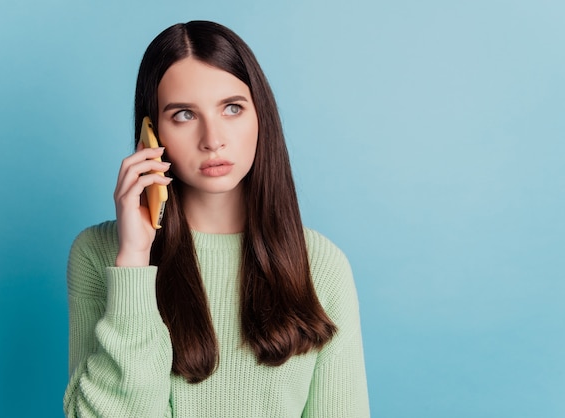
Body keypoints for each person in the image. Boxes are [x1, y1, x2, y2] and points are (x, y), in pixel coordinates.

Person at [63, 20, 369, 417]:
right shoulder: (98, 254)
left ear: (261, 116)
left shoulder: (322, 265)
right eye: (185, 115)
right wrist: (134, 260)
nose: (213, 138)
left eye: (232, 108)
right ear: (151, 133)